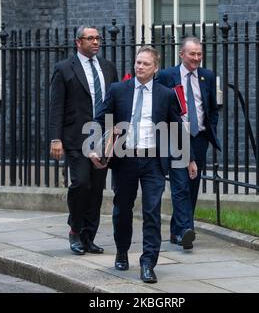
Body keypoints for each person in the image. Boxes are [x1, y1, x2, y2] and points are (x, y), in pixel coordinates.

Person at [91, 46, 193, 283]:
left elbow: (177, 127)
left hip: (153, 161)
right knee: (122, 209)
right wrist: (94, 146)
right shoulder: (118, 90)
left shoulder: (165, 94)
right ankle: (122, 252)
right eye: (138, 62)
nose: (139, 67)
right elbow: (100, 118)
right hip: (125, 158)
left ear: (155, 68)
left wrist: (189, 158)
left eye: (145, 64)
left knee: (152, 212)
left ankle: (148, 263)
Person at [49, 25, 118, 255]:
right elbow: (56, 107)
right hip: (75, 138)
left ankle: (89, 236)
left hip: (102, 137)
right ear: (78, 42)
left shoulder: (108, 68)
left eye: (98, 38)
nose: (96, 42)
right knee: (81, 184)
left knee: (97, 189)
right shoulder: (64, 69)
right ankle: (75, 230)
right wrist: (55, 139)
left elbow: (115, 103)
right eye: (91, 38)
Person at [156, 36, 221, 250]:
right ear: (181, 54)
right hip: (176, 135)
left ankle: (177, 230)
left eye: (199, 54)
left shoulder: (207, 76)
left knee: (193, 184)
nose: (196, 58)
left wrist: (209, 127)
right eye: (192, 54)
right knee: (180, 183)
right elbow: (159, 104)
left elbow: (212, 107)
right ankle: (186, 230)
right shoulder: (167, 76)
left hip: (199, 137)